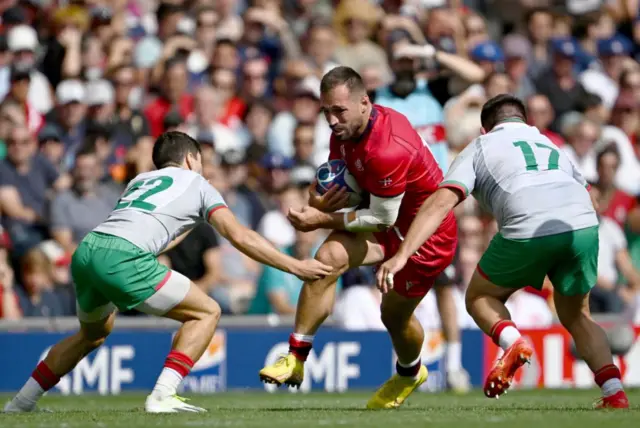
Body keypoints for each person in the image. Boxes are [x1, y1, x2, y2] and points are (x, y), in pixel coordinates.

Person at [3, 131, 332, 414]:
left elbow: (157, 231)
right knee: (207, 312)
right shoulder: (198, 184)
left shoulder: (140, 180)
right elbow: (241, 237)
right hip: (123, 257)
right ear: (191, 159)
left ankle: (21, 402)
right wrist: (296, 266)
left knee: (91, 335)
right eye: (201, 161)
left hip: (89, 250)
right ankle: (162, 394)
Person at [376, 94, 629, 409]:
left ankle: (512, 342)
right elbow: (591, 200)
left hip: (526, 224)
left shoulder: (480, 147)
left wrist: (401, 255)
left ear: (485, 129)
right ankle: (615, 392)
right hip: (583, 226)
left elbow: (442, 201)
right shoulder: (555, 147)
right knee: (577, 315)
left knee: (480, 297)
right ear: (526, 122)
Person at [258, 67, 457, 409]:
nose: (332, 120)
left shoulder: (387, 148)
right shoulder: (345, 132)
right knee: (327, 258)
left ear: (364, 102)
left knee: (392, 316)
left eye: (339, 110)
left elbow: (382, 216)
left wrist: (320, 218)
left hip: (425, 236)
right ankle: (296, 356)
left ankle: (410, 372)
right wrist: (319, 199)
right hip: (385, 222)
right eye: (327, 112)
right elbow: (340, 186)